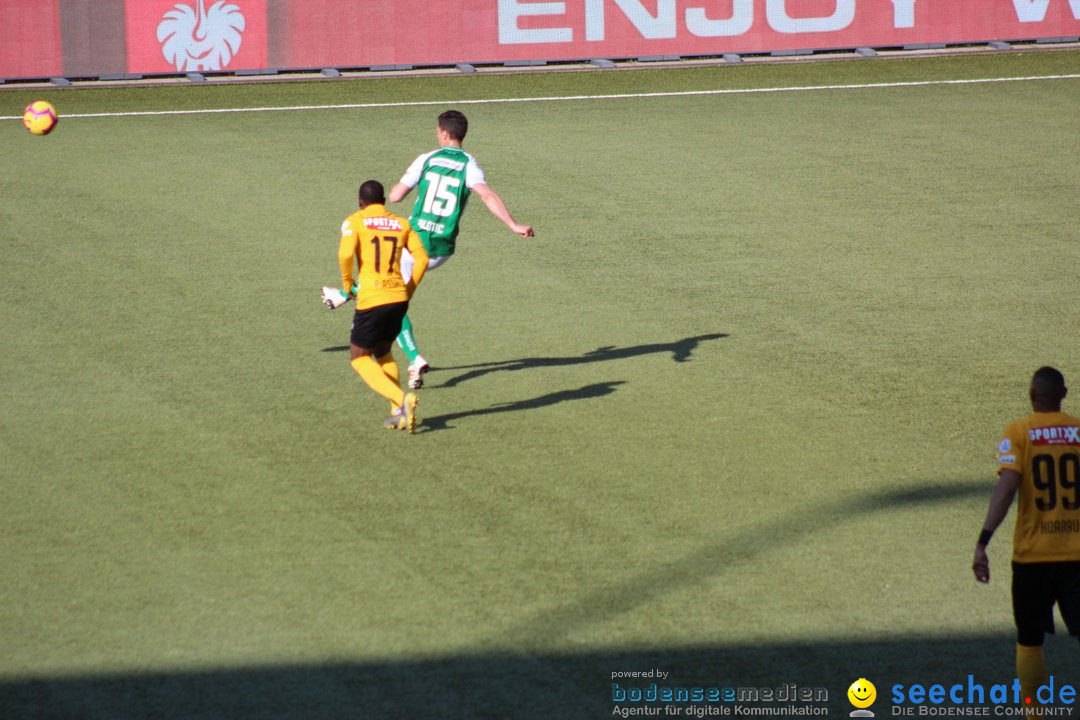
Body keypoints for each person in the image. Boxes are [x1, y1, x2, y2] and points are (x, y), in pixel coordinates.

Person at [387, 109, 534, 389]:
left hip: (413, 243)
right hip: (440, 250)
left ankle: (413, 357)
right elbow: (487, 195)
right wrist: (513, 225)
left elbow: (395, 196)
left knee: (389, 300)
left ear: (443, 133)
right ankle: (347, 301)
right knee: (392, 294)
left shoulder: (427, 159)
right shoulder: (470, 165)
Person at [973, 366, 1080, 705]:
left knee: (1030, 641)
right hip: (1078, 557)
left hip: (1032, 558)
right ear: (1063, 395)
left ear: (1032, 395)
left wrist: (983, 541)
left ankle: (1034, 716)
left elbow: (1005, 491)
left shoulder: (1018, 433)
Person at [323, 180, 429, 433]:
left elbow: (346, 255)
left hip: (372, 298)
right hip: (397, 298)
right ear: (383, 202)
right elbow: (422, 258)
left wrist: (348, 284)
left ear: (361, 202)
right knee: (383, 352)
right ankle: (397, 411)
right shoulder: (402, 224)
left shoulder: (355, 221)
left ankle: (402, 400)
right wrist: (409, 288)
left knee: (359, 358)